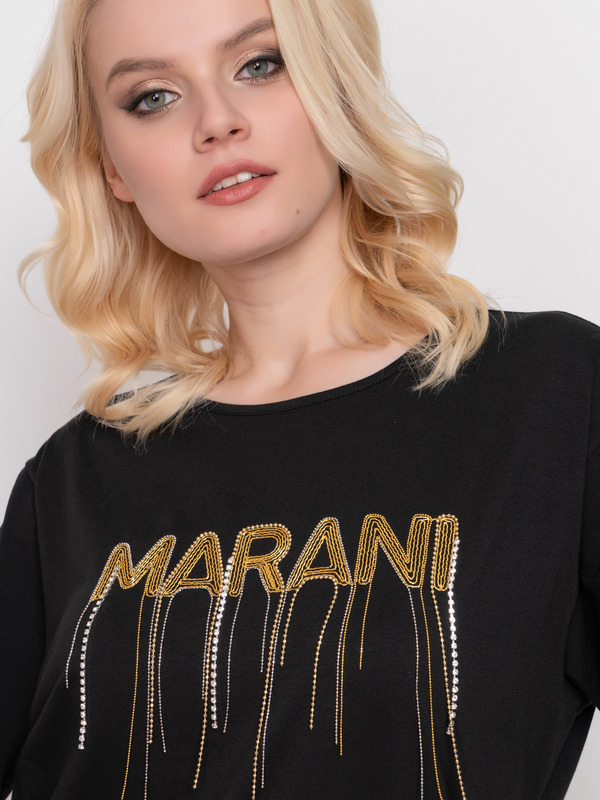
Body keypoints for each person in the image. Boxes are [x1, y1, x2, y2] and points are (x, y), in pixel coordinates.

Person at [0, 0, 598, 797]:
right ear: (112, 167)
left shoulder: (555, 396)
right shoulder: (71, 482)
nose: (216, 121)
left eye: (260, 64)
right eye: (153, 97)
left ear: (336, 84)